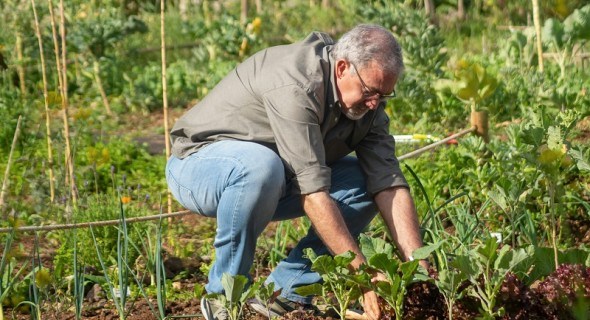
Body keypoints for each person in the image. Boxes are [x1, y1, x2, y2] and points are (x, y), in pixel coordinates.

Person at [165, 24, 428, 320]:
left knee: (364, 181)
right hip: (200, 166)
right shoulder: (297, 84)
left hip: (274, 177)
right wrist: (362, 274)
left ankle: (284, 293)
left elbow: (389, 184)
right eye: (370, 91)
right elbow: (313, 193)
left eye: (383, 96)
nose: (374, 103)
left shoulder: (369, 108)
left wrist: (416, 266)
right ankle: (225, 296)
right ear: (342, 68)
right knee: (261, 166)